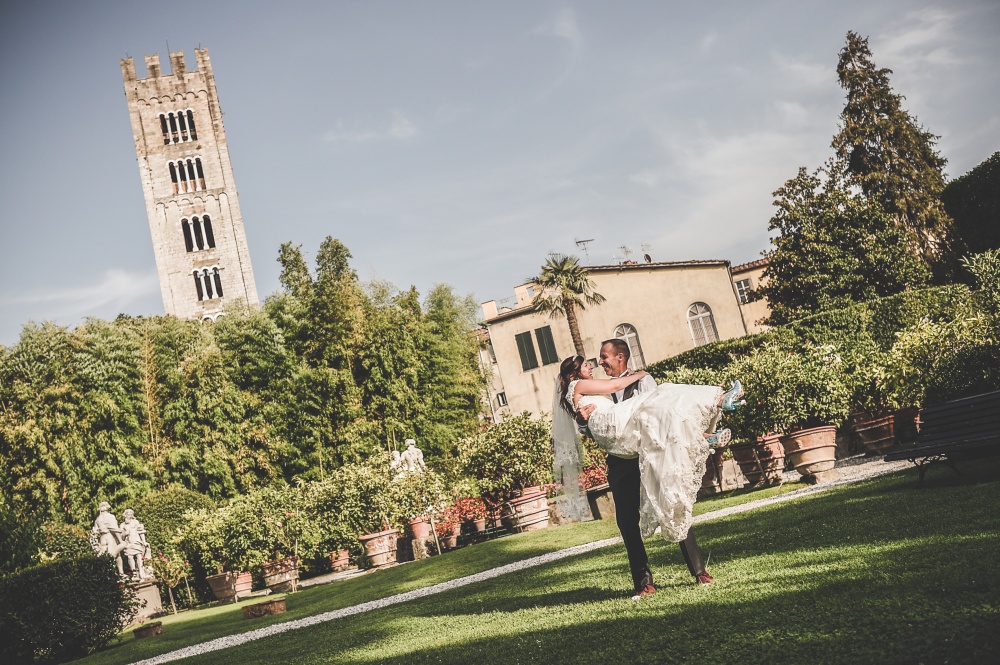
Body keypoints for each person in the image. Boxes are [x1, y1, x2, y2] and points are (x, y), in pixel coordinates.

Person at [553, 342, 743, 600]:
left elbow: (664, 410)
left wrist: (640, 376)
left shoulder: (644, 382)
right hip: (621, 459)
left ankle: (699, 571)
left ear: (620, 357)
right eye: (596, 360)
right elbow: (591, 424)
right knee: (626, 522)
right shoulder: (597, 386)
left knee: (672, 500)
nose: (600, 364)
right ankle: (644, 583)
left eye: (604, 358)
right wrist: (581, 420)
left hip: (652, 450)